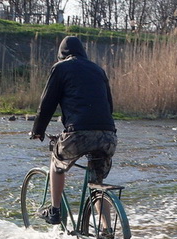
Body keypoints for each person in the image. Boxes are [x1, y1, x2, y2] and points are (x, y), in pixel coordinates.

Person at [29, 36, 117, 225]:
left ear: (61, 54)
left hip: (78, 134)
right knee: (97, 184)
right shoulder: (98, 70)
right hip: (108, 135)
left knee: (56, 163)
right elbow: (110, 107)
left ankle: (54, 211)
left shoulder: (60, 68)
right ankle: (107, 231)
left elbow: (47, 103)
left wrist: (38, 130)